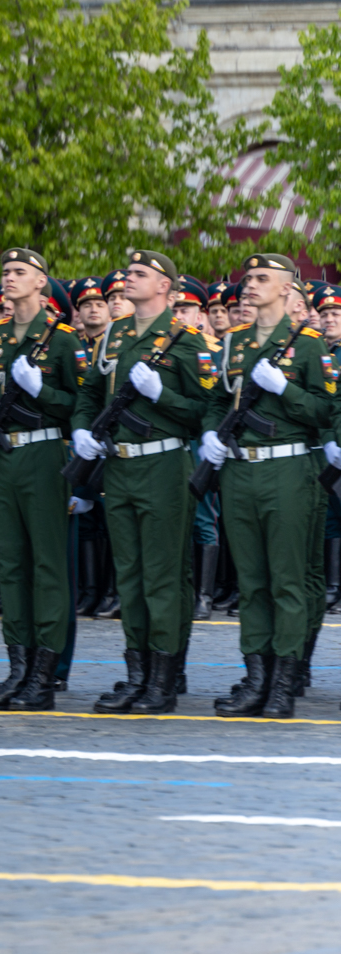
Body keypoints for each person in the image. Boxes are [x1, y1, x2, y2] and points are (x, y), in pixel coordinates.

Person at [70, 250, 214, 714]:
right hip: (120, 467)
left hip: (163, 467)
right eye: (128, 272)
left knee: (163, 578)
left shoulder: (188, 342)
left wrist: (162, 394)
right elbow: (91, 391)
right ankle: (137, 674)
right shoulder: (115, 334)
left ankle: (164, 681)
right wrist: (81, 429)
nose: (127, 278)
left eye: (139, 274)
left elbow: (202, 413)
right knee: (129, 577)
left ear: (165, 287)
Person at [201, 255, 332, 718]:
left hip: (290, 472)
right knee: (252, 582)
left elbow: (324, 412)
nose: (249, 285)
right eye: (248, 279)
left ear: (286, 289)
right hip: (240, 472)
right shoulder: (233, 343)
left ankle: (282, 683)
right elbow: (216, 400)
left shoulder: (309, 345)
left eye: (261, 279)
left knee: (287, 583)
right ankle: (255, 679)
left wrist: (285, 389)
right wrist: (209, 435)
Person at [0, 249, 86, 712]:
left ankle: (43, 673)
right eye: (5, 272)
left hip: (43, 454)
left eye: (19, 273)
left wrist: (42, 391)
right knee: (12, 566)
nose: (9, 279)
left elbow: (80, 406)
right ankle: (17, 669)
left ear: (41, 281)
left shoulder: (61, 339)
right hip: (4, 459)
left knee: (47, 568)